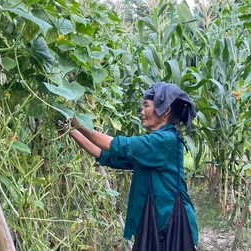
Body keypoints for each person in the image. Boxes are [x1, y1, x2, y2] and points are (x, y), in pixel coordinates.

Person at [68, 82, 198, 250]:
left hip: (171, 223)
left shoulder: (164, 141)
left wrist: (75, 120)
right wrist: (70, 129)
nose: (142, 112)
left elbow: (116, 145)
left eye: (146, 106)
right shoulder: (156, 144)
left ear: (165, 111)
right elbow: (104, 154)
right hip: (158, 220)